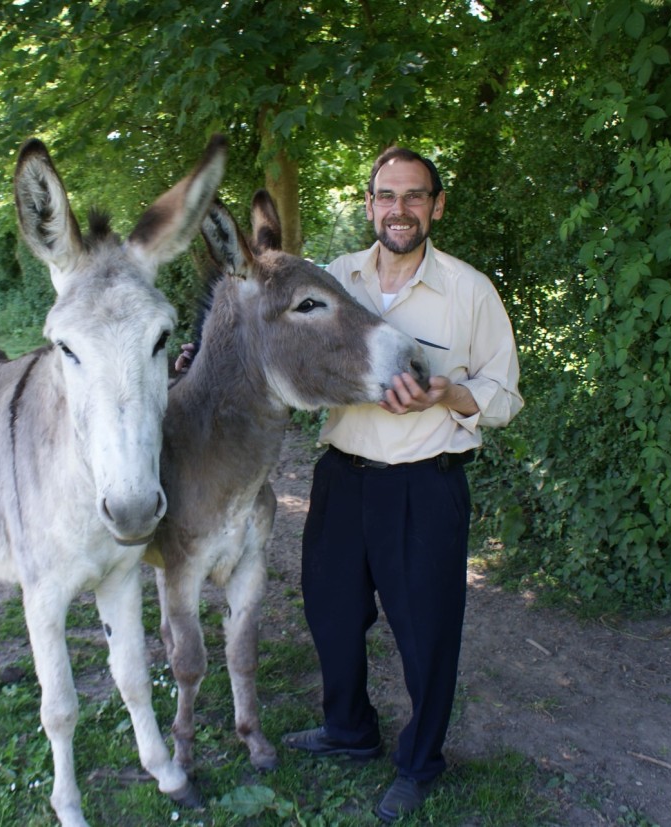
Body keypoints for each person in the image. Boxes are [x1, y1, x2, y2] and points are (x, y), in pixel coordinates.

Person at [281, 146, 523, 823]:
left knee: (426, 634)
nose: (400, 209)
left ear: (437, 206)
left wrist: (449, 394)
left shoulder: (469, 292)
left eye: (415, 196)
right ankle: (349, 729)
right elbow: (284, 350)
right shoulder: (332, 279)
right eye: (387, 195)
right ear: (369, 204)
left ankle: (419, 761)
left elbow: (504, 395)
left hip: (424, 487)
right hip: (341, 478)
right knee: (330, 617)